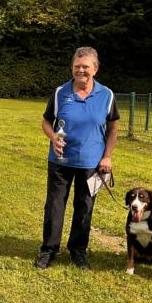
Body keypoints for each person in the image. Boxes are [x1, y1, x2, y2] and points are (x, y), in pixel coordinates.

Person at [35, 47, 119, 270]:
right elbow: (46, 121)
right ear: (72, 68)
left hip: (92, 164)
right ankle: (48, 250)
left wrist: (107, 157)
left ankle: (78, 250)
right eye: (77, 67)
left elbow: (113, 129)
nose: (81, 70)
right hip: (60, 161)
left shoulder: (107, 95)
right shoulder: (60, 92)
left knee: (84, 207)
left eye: (85, 66)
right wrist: (53, 137)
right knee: (54, 206)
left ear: (96, 69)